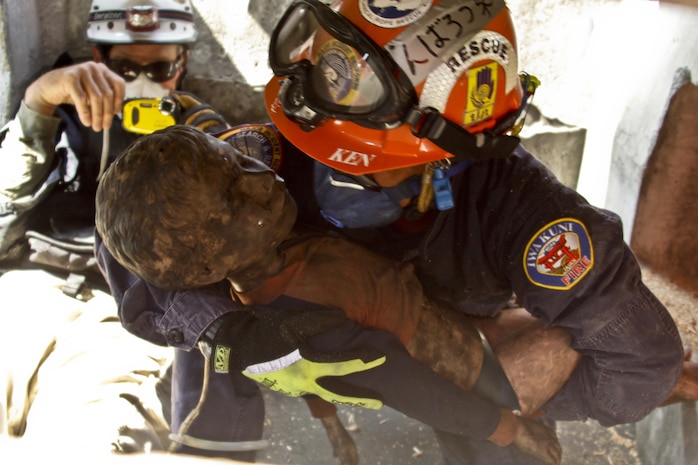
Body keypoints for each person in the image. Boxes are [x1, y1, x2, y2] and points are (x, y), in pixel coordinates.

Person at [91, 1, 697, 464]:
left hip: (476, 353)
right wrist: (231, 333)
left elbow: (641, 363)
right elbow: (133, 243)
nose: (305, 166)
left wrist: (517, 393)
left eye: (356, 158)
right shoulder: (266, 155)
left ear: (446, 156)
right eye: (316, 136)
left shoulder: (530, 219)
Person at [95, 124, 583, 463]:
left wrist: (332, 428)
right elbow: (411, 387)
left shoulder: (280, 249)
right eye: (235, 200)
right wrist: (507, 428)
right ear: (206, 265)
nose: (263, 181)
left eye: (240, 162)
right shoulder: (298, 321)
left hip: (454, 329)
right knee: (506, 440)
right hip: (467, 378)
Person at [0, 0, 254, 461]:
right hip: (29, 289)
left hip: (123, 314)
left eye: (159, 66)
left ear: (182, 65)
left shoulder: (206, 137)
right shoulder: (59, 112)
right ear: (96, 59)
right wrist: (39, 100)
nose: (141, 81)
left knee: (91, 440)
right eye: (122, 66)